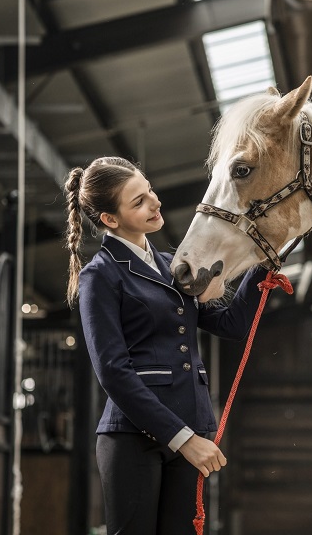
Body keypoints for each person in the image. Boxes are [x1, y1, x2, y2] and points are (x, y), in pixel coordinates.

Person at [63, 156, 268, 534]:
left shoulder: (172, 264)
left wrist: (263, 262)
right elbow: (112, 371)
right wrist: (184, 440)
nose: (154, 202)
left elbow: (231, 324)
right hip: (132, 438)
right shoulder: (100, 275)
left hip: (192, 425)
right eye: (138, 201)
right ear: (110, 219)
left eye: (150, 190)